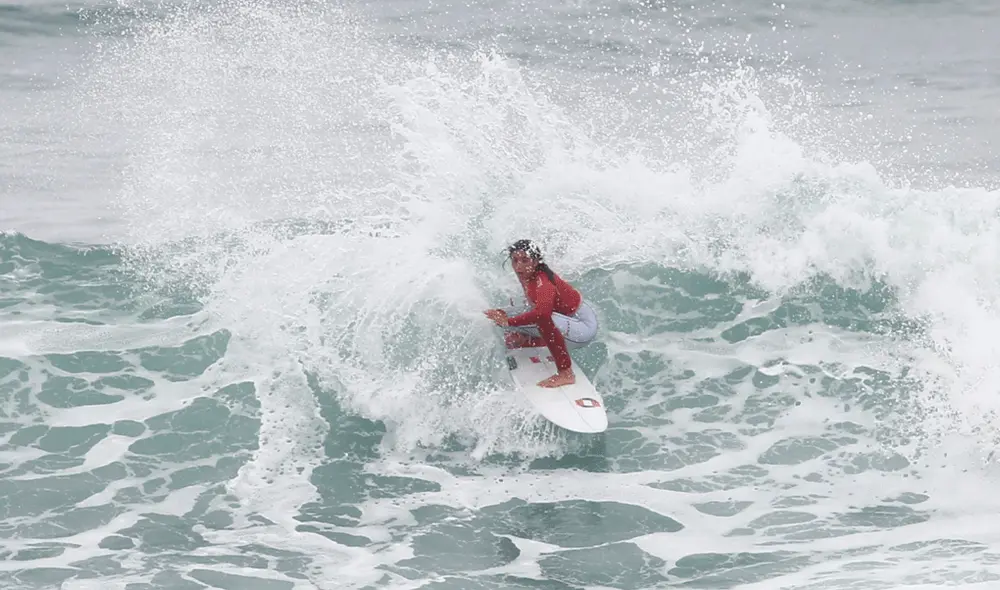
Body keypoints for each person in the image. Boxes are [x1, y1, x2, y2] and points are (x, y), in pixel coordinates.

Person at [484, 239, 599, 388]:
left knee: (541, 319)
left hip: (582, 328)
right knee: (497, 313)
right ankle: (528, 339)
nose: (518, 266)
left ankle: (566, 374)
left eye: (525, 260)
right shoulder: (527, 273)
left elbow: (542, 315)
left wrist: (509, 322)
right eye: (515, 260)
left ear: (536, 261)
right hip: (567, 319)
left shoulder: (542, 281)